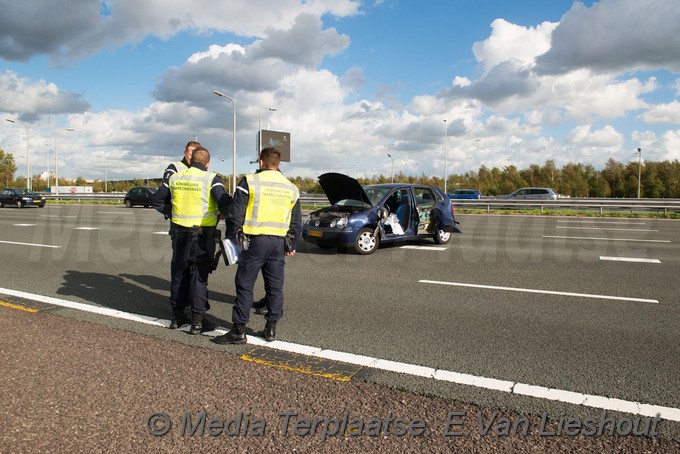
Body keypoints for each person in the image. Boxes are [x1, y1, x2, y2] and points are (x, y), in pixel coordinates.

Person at [212, 147, 302, 344]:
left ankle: (238, 331)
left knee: (245, 285)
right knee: (275, 287)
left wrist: (231, 236)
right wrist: (292, 243)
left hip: (254, 242)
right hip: (278, 243)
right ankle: (271, 329)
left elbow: (236, 213)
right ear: (278, 164)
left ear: (261, 162)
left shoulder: (250, 181)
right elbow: (296, 222)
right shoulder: (291, 187)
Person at [152, 147, 231, 334]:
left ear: (191, 159)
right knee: (198, 275)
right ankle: (197, 320)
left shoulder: (175, 178)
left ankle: (177, 317)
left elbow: (157, 200)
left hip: (179, 233)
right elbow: (225, 204)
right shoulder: (211, 179)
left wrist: (171, 212)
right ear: (207, 163)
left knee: (179, 272)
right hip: (202, 236)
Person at [158, 140, 201, 328]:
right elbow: (160, 198)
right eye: (190, 153)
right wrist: (171, 212)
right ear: (185, 152)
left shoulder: (200, 172)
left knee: (193, 272)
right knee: (181, 271)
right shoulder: (175, 169)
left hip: (198, 229)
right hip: (181, 229)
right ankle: (179, 313)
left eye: (196, 153)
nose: (192, 156)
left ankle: (190, 310)